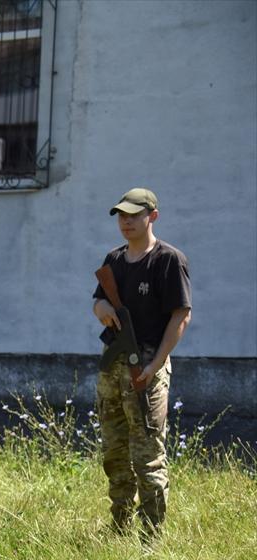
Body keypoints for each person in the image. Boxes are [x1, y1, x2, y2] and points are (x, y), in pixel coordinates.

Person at [93, 188, 191, 540]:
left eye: (134, 215)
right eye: (121, 215)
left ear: (153, 215)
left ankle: (151, 537)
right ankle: (119, 527)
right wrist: (103, 310)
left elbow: (180, 316)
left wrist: (156, 365)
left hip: (146, 364)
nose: (126, 221)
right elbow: (99, 303)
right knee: (114, 451)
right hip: (113, 365)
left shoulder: (168, 260)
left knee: (147, 455)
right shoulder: (114, 260)